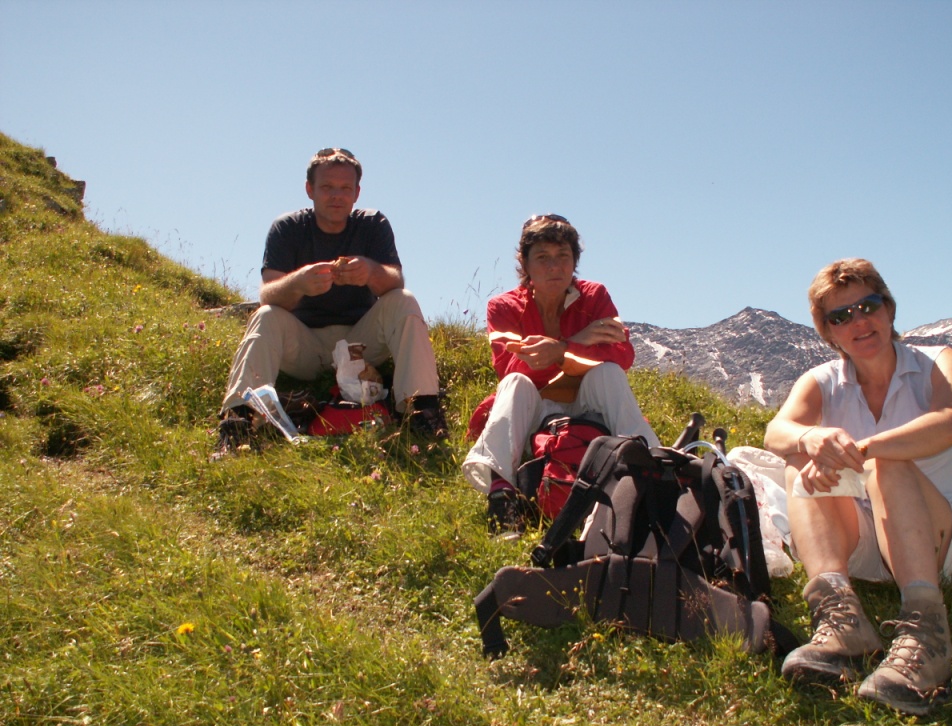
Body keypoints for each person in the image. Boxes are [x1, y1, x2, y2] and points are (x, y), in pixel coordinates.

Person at [763, 258, 952, 715]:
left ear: (889, 308)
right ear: (828, 333)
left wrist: (863, 450)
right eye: (841, 317)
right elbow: (777, 432)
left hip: (946, 542)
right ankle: (842, 623)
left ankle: (927, 638)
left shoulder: (939, 362)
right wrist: (811, 438)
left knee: (887, 464)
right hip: (870, 540)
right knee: (800, 466)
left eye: (868, 306)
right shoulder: (822, 381)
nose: (858, 322)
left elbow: (951, 421)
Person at [217, 148, 446, 452]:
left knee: (404, 300)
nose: (336, 196)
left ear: (357, 193)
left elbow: (394, 282)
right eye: (326, 187)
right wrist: (298, 284)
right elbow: (268, 293)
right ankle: (239, 420)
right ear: (309, 189)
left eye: (345, 188)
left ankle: (421, 410)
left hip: (358, 348)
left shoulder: (372, 224)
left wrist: (371, 272)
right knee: (265, 315)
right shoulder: (288, 228)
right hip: (305, 345)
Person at [462, 214, 660, 537]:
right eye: (542, 257)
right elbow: (509, 368)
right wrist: (577, 344)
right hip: (537, 407)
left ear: (574, 262)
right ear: (525, 264)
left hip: (587, 402)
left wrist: (558, 352)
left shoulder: (595, 296)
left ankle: (652, 469)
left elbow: (623, 355)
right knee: (514, 384)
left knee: (608, 374)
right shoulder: (503, 307)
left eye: (563, 256)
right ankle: (501, 494)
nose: (554, 266)